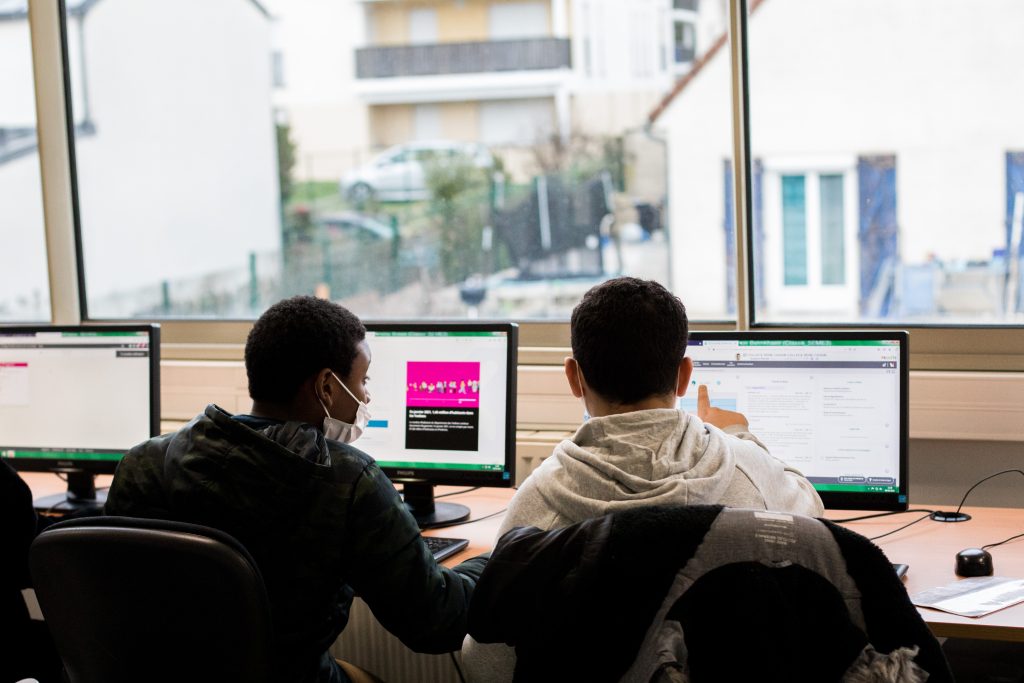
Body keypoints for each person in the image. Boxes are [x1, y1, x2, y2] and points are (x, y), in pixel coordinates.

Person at [105, 296, 486, 683]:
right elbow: (437, 622)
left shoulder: (141, 462)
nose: (366, 396)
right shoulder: (347, 480)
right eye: (363, 380)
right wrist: (495, 559)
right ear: (326, 386)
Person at [461, 277, 822, 681]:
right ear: (684, 375)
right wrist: (742, 438)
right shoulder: (745, 470)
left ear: (573, 377)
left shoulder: (538, 504)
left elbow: (485, 664)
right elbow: (812, 517)